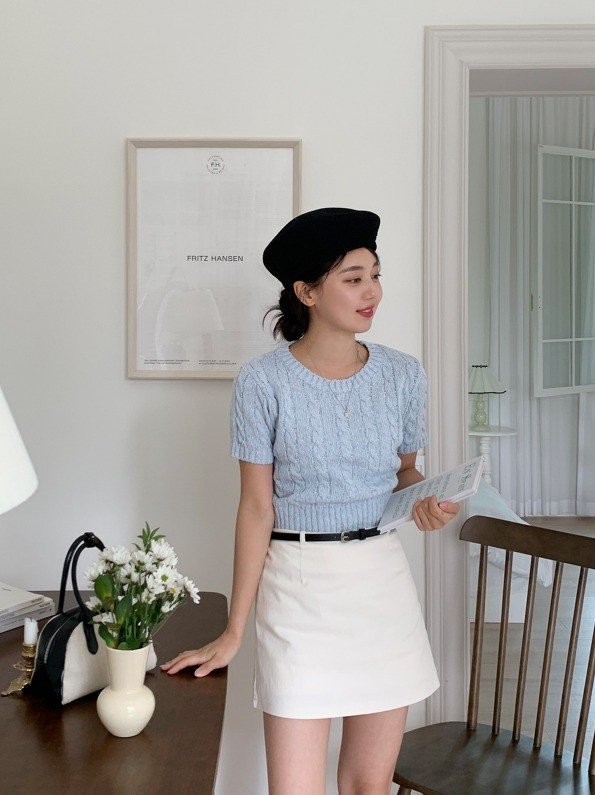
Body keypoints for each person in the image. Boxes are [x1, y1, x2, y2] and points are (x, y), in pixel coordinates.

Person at [161, 207, 461, 794]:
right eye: (353, 278)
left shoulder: (404, 374)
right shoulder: (263, 381)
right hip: (297, 588)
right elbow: (257, 509)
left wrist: (423, 499)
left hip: (381, 586)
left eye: (375, 275)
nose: (372, 292)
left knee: (368, 787)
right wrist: (233, 631)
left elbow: (404, 471)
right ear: (307, 292)